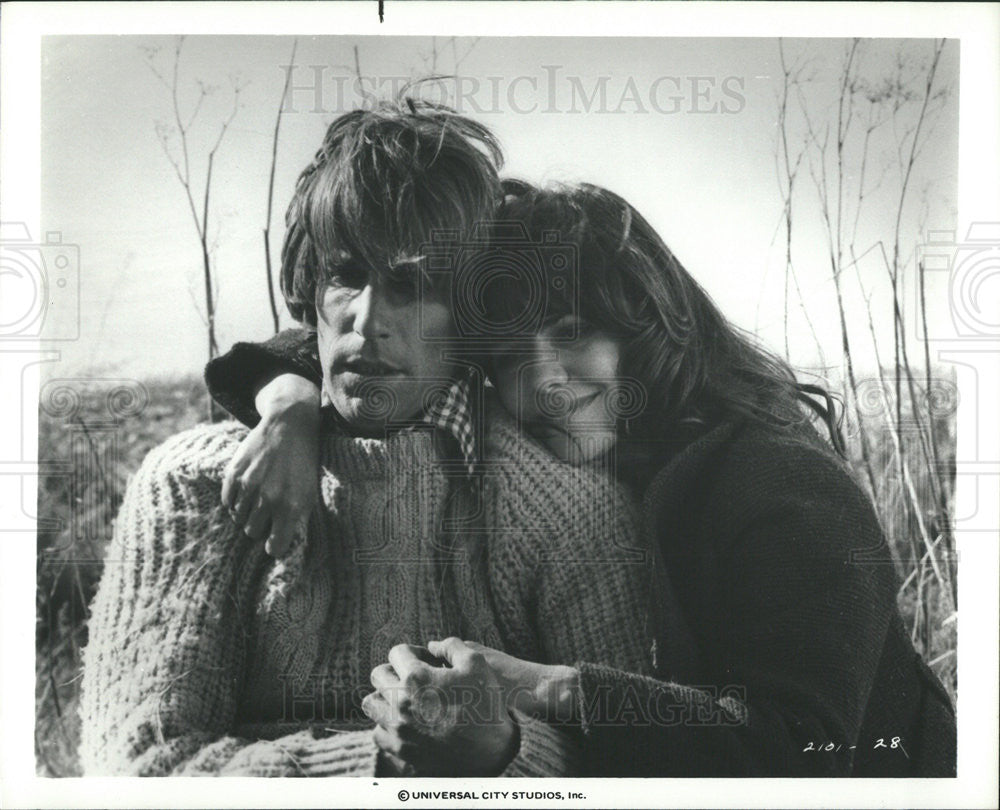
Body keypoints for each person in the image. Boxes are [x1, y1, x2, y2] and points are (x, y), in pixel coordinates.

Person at [208, 181, 957, 777]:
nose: (545, 381)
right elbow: (351, 342)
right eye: (507, 352)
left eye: (573, 333)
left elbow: (806, 755)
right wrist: (290, 408)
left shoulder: (775, 483)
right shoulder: (588, 464)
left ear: (649, 327)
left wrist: (540, 687)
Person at [79, 101, 657, 777]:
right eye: (346, 273)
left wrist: (503, 754)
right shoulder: (190, 487)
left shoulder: (573, 513)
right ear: (307, 287)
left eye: (412, 284)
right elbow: (137, 771)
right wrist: (380, 767)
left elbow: (634, 765)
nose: (369, 317)